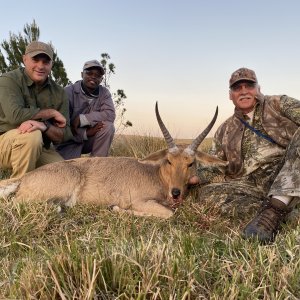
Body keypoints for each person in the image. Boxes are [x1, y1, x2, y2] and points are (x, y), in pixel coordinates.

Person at [198, 67, 300, 243]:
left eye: (249, 86)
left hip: (289, 169)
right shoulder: (225, 130)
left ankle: (276, 208)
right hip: (254, 184)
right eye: (237, 88)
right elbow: (212, 168)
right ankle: (287, 211)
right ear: (230, 95)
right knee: (206, 194)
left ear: (258, 88)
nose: (244, 91)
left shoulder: (278, 103)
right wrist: (188, 178)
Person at [0, 41, 72, 179]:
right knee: (32, 135)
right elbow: (15, 116)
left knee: (66, 173)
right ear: (24, 59)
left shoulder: (59, 92)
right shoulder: (8, 80)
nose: (40, 66)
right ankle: (17, 189)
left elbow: (65, 134)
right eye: (35, 59)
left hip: (38, 148)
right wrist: (50, 113)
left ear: (52, 64)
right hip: (4, 145)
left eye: (46, 61)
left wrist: (44, 126)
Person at [55, 60, 115, 159]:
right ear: (82, 74)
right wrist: (85, 133)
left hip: (89, 141)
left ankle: (97, 165)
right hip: (69, 141)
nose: (93, 77)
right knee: (66, 171)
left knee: (108, 127)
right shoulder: (68, 92)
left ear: (101, 79)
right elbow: (61, 126)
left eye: (98, 75)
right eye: (89, 73)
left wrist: (82, 119)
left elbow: (110, 115)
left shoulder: (104, 93)